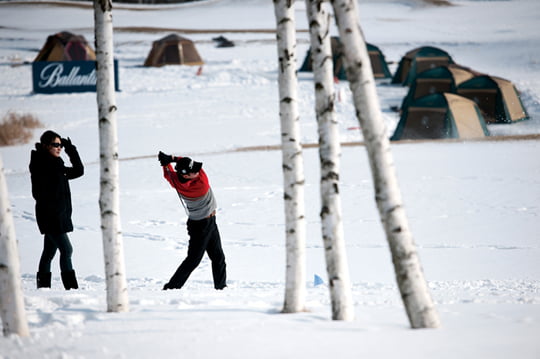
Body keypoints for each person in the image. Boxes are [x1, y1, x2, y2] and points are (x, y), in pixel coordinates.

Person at [158, 151, 227, 290]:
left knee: (218, 257)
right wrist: (172, 159)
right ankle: (171, 288)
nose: (198, 170)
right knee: (193, 260)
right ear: (186, 175)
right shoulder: (201, 182)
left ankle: (221, 288)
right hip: (201, 226)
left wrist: (167, 162)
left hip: (209, 222)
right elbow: (185, 163)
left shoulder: (175, 180)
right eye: (194, 171)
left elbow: (169, 172)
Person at [30, 130, 84, 290]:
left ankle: (43, 288)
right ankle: (71, 288)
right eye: (56, 145)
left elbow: (79, 171)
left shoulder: (56, 164)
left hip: (59, 215)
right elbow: (39, 193)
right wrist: (54, 211)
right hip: (51, 217)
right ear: (46, 146)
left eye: (60, 145)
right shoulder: (42, 164)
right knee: (67, 250)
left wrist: (71, 149)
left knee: (48, 252)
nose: (59, 148)